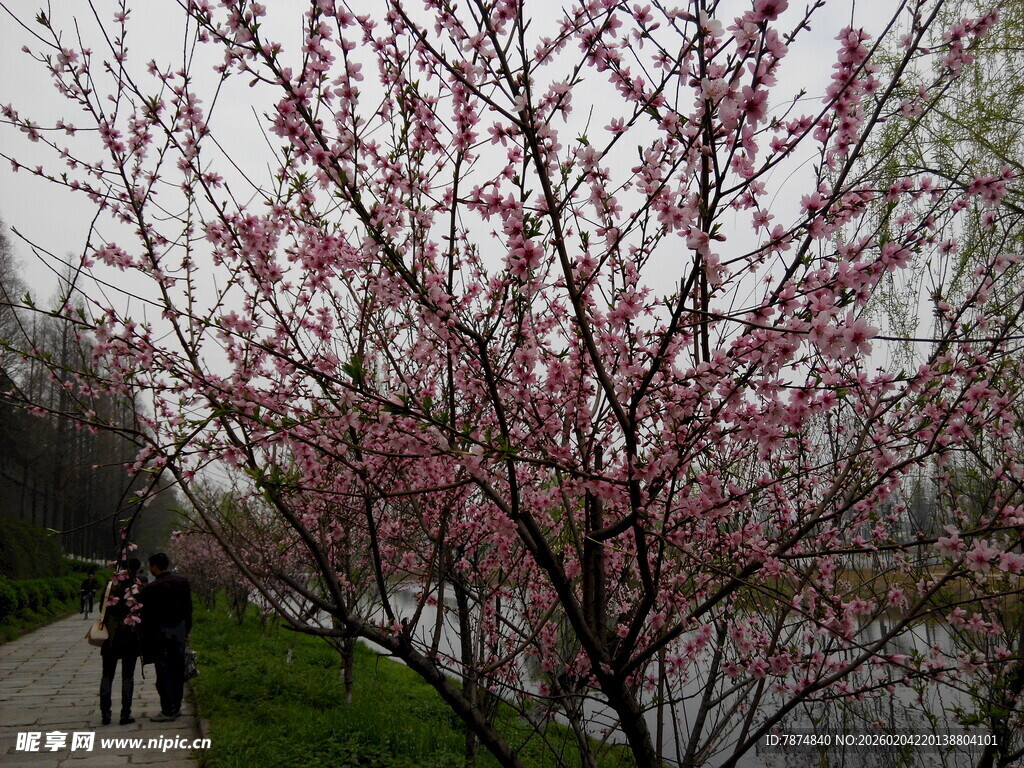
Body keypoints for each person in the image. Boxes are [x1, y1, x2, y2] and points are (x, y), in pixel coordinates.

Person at [140, 552, 193, 722]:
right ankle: (176, 707)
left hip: (160, 633)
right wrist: (187, 630)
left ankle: (168, 710)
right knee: (177, 671)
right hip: (179, 630)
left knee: (163, 673)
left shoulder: (151, 588)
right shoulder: (183, 582)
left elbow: (146, 616)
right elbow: (188, 609)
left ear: (155, 567)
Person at [99, 558, 143, 725]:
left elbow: (102, 608)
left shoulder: (111, 586)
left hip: (110, 637)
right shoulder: (137, 587)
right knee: (128, 676)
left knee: (107, 675)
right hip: (130, 637)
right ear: (137, 570)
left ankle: (105, 714)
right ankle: (125, 714)